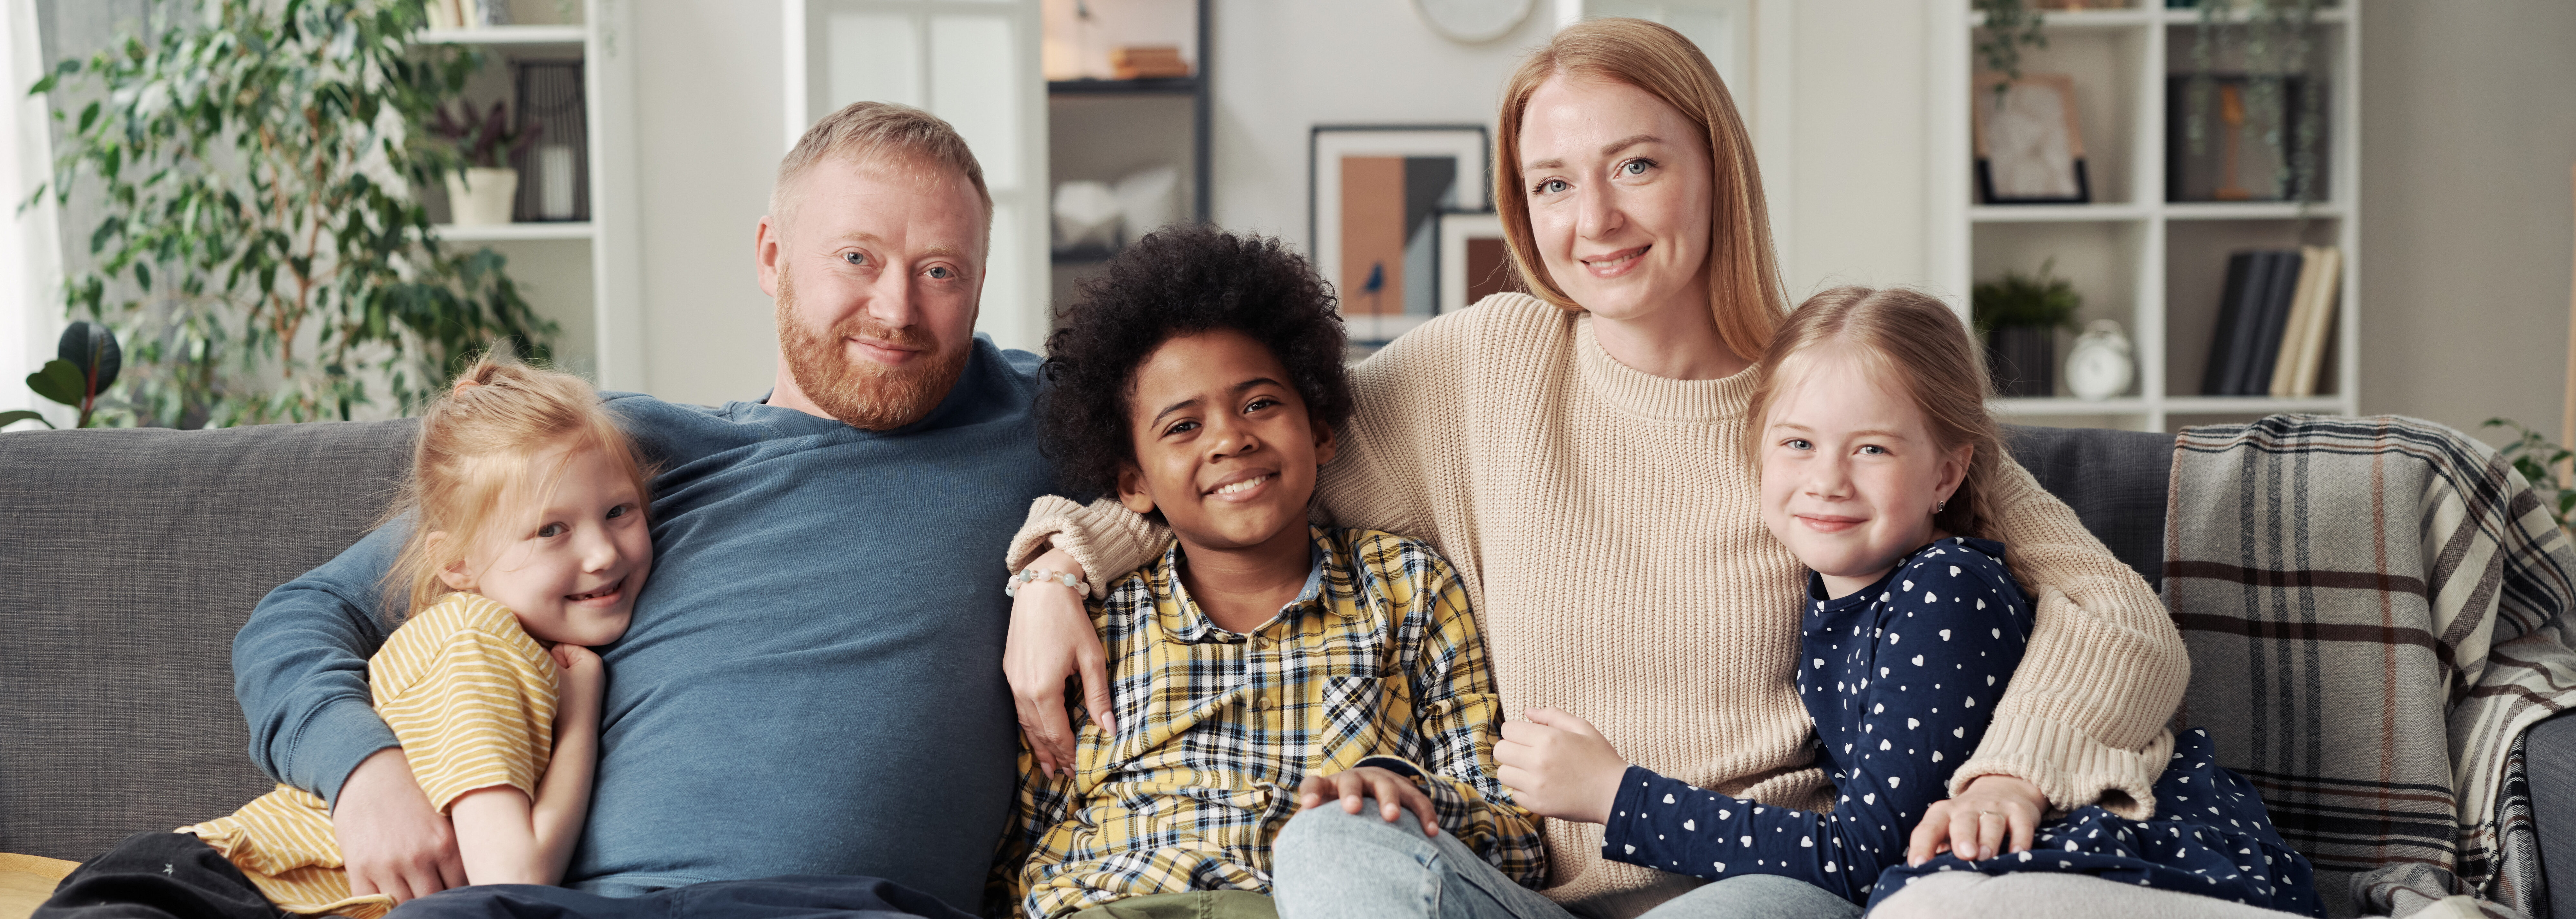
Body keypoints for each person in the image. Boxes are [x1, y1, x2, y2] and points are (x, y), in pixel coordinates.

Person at [1004, 18, 2190, 918]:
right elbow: (1242, 463)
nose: (1595, 222)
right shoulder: (1487, 364)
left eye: (1634, 167)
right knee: (1330, 851)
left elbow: (2108, 609)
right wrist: (1062, 567)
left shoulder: (1833, 397)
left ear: (1712, 167)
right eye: (1551, 184)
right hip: (1517, 891)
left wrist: (2010, 772)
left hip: (1752, 883)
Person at [42, 101, 1051, 919]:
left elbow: (1203, 424)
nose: (896, 310)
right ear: (771, 255)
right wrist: (364, 774)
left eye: (939, 272)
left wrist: (1064, 559)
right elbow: (304, 615)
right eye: (856, 259)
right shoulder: (614, 460)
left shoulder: (1040, 419)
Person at [1499, 286, 2322, 917]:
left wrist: (1618, 795)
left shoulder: (1946, 589)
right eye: (1797, 443)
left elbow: (1859, 857)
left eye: (1872, 449)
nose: (1827, 479)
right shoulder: (1842, 602)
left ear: (1947, 474)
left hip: (2133, 870)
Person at [990, 226, 1543, 919]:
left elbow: (1518, 844)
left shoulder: (1409, 586)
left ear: (1319, 431)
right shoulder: (1098, 627)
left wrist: (1404, 794)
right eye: (1183, 427)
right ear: (1134, 482)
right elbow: (1022, 856)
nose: (1230, 438)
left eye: (1259, 404)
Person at [191, 358, 646, 918]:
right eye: (551, 530)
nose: (603, 554)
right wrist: (580, 715)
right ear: (456, 562)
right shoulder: (479, 645)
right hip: (214, 893)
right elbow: (514, 878)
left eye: (619, 511)